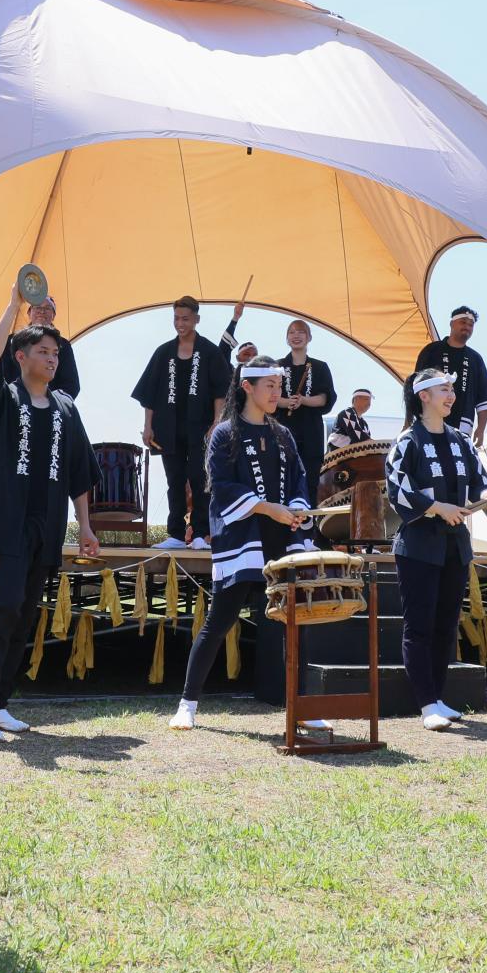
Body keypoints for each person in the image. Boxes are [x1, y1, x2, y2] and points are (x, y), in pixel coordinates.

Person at [0, 304, 99, 744]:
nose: (52, 358)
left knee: (23, 616)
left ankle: (1, 703)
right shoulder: (2, 396)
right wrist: (15, 301)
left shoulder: (65, 407)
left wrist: (86, 527)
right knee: (0, 610)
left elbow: (79, 473)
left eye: (56, 353)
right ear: (20, 357)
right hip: (5, 522)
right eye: (43, 351)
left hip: (47, 525)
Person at [171, 363, 314, 727]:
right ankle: (187, 703)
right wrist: (269, 508)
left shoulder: (284, 434)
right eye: (269, 385)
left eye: (279, 385)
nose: (276, 392)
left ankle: (300, 707)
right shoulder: (224, 434)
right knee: (220, 621)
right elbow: (222, 487)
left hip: (282, 539)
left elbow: (299, 480)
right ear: (247, 386)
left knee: (292, 624)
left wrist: (296, 510)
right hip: (245, 540)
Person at [385, 369, 487, 730]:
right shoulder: (407, 441)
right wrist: (438, 508)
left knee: (446, 625)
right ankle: (426, 704)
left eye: (452, 389)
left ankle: (437, 697)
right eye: (443, 389)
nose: (451, 395)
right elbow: (397, 490)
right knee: (420, 626)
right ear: (423, 396)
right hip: (419, 546)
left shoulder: (461, 440)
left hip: (455, 546)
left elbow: (479, 483)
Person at [134, 292, 241, 548]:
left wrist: (216, 422)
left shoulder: (209, 352)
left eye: (185, 318)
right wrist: (148, 426)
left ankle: (202, 532)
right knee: (174, 480)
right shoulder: (163, 352)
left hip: (201, 427)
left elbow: (219, 390)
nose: (180, 323)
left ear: (196, 319)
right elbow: (149, 392)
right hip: (167, 427)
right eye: (176, 318)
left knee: (199, 478)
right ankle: (176, 535)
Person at [407, 305, 487, 445]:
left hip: (462, 425)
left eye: (471, 325)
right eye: (463, 322)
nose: (467, 327)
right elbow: (415, 389)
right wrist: (408, 421)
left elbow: (484, 396)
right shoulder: (431, 351)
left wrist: (481, 429)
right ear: (451, 323)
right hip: (430, 421)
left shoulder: (475, 358)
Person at [276, 319, 335, 486]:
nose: (296, 336)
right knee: (283, 480)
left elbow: (325, 398)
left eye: (301, 332)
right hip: (283, 431)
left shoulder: (320, 366)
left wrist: (304, 400)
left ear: (309, 337)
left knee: (310, 482)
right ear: (287, 338)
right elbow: (270, 397)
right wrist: (287, 402)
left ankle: (308, 513)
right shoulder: (277, 366)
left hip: (311, 433)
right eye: (292, 332)